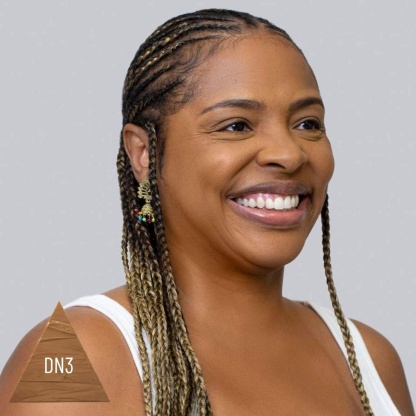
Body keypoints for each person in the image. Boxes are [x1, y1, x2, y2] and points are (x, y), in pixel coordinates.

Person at [0, 8, 414, 416]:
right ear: (143, 153)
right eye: (236, 125)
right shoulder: (72, 358)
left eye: (307, 124)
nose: (289, 154)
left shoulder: (370, 358)